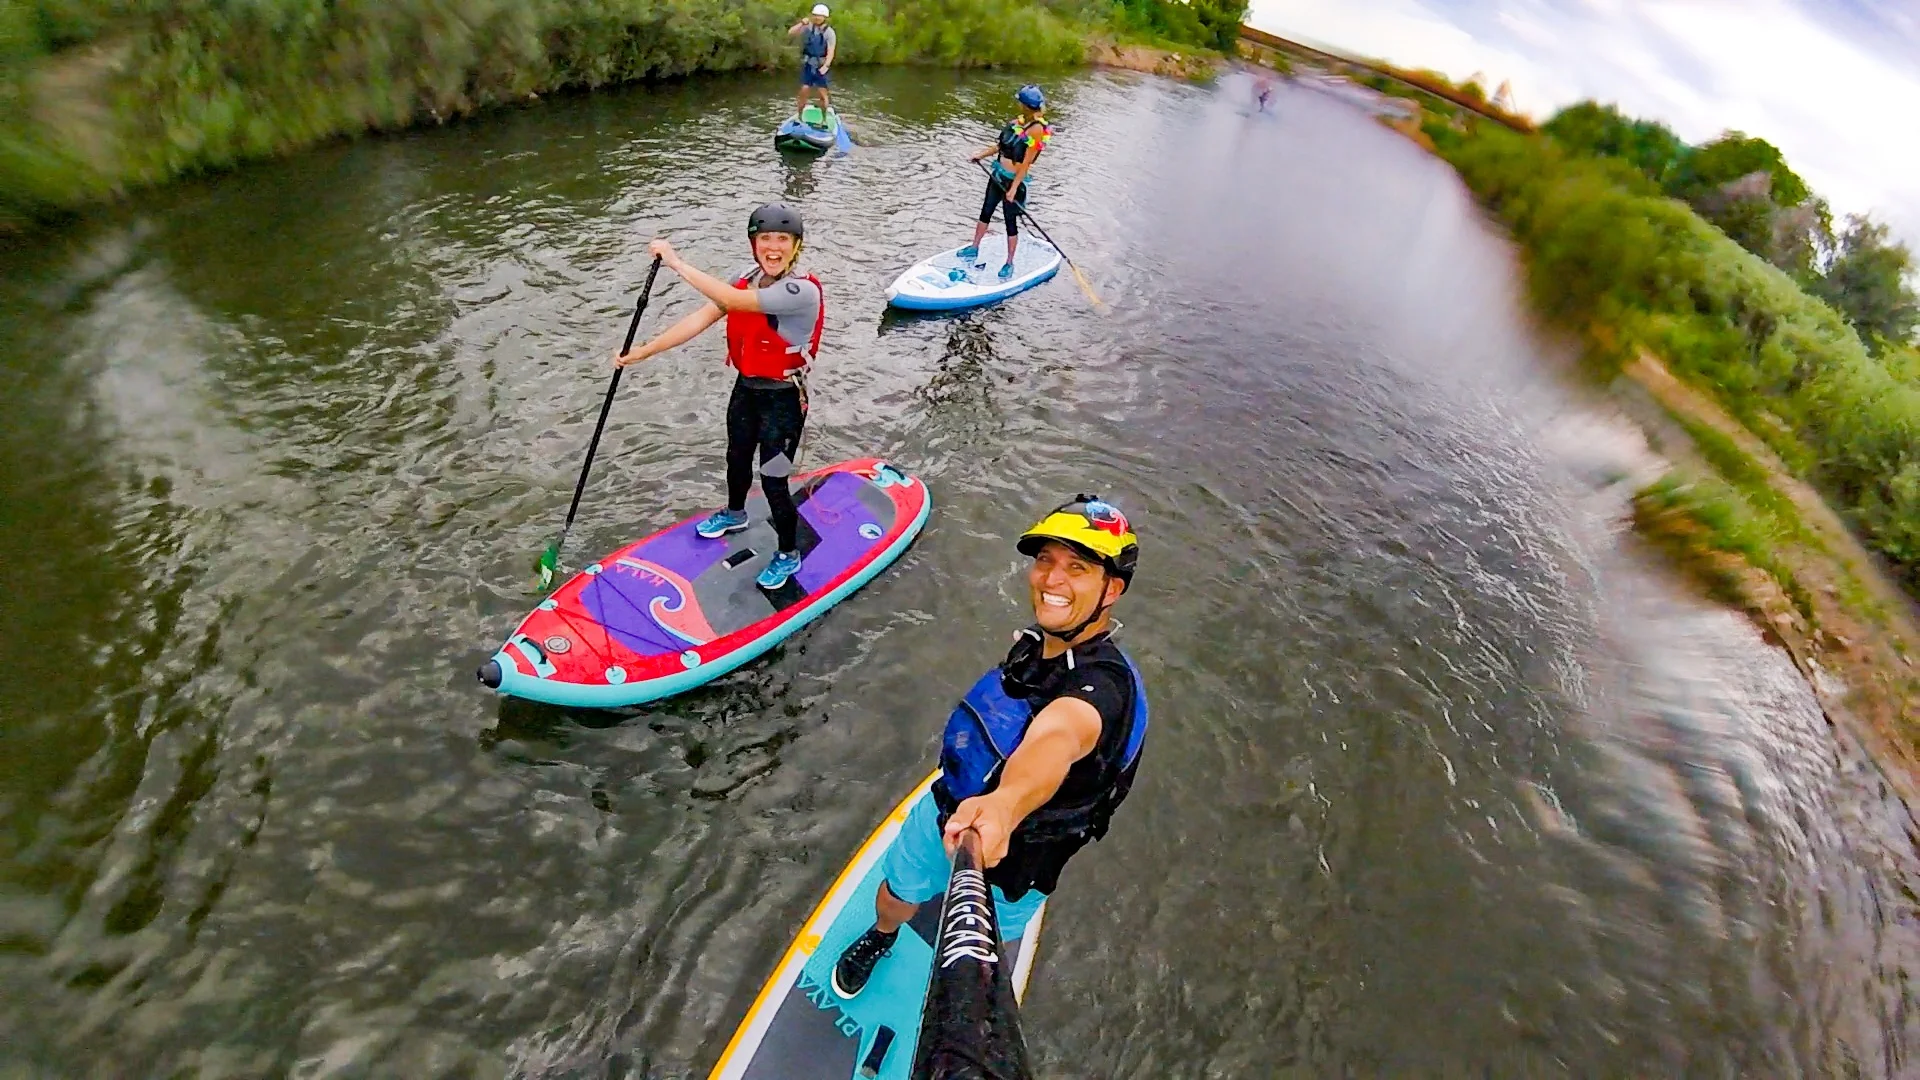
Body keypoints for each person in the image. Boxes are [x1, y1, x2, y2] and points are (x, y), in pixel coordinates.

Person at [830, 496, 1150, 999]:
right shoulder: (1038, 646)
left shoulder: (1103, 690)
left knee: (986, 944)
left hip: (1023, 853)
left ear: (1112, 589)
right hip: (951, 808)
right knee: (895, 895)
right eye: (1045, 560)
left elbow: (1058, 737)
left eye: (1077, 568)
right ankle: (882, 936)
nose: (1051, 580)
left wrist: (1004, 804)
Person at [614, 204, 824, 591]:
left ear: (796, 246)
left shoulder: (801, 291)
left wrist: (676, 262)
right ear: (753, 244)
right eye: (765, 239)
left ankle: (789, 553)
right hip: (747, 390)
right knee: (736, 457)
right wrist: (643, 352)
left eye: (783, 239)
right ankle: (735, 513)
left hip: (783, 400)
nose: (773, 248)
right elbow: (700, 318)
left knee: (774, 481)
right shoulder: (745, 279)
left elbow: (736, 302)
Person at [963, 84, 1052, 280]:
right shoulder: (1017, 123)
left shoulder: (1037, 130)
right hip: (997, 175)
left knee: (1010, 222)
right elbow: (999, 146)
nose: (1018, 105)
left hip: (1014, 182)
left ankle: (1009, 263)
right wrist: (980, 155)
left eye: (1021, 102)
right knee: (985, 211)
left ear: (1027, 106)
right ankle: (974, 247)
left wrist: (1013, 189)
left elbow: (1026, 163)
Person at [789, 4, 836, 122]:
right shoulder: (808, 27)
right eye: (815, 15)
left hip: (821, 65)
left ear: (825, 17)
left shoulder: (829, 33)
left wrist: (826, 65)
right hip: (809, 64)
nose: (817, 18)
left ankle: (824, 119)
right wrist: (801, 23)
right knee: (804, 90)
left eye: (820, 16)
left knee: (822, 94)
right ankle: (799, 117)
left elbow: (831, 51)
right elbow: (791, 33)